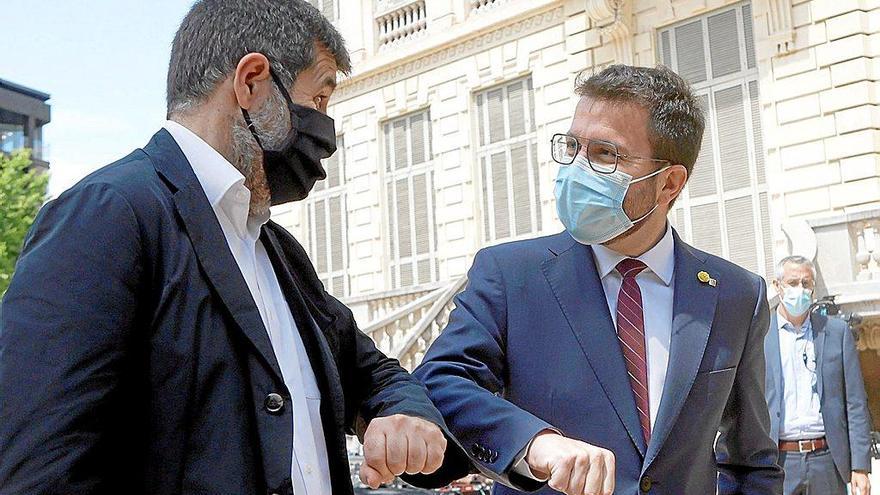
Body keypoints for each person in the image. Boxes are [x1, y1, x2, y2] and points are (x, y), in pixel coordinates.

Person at [0, 1, 467, 494]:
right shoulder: (108, 214)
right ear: (251, 83)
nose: (326, 131)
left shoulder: (278, 251)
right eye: (319, 98)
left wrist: (403, 412)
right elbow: (39, 469)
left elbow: (373, 372)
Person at [414, 64, 784, 495]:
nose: (578, 168)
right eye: (573, 146)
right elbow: (439, 383)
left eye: (606, 154)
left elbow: (752, 462)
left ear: (669, 183)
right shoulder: (510, 276)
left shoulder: (736, 295)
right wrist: (533, 443)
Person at [764, 255, 872, 495]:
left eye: (806, 283)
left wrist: (860, 467)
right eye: (792, 283)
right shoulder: (760, 335)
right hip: (779, 461)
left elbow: (855, 402)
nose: (800, 290)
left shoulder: (835, 332)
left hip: (826, 459)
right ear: (777, 286)